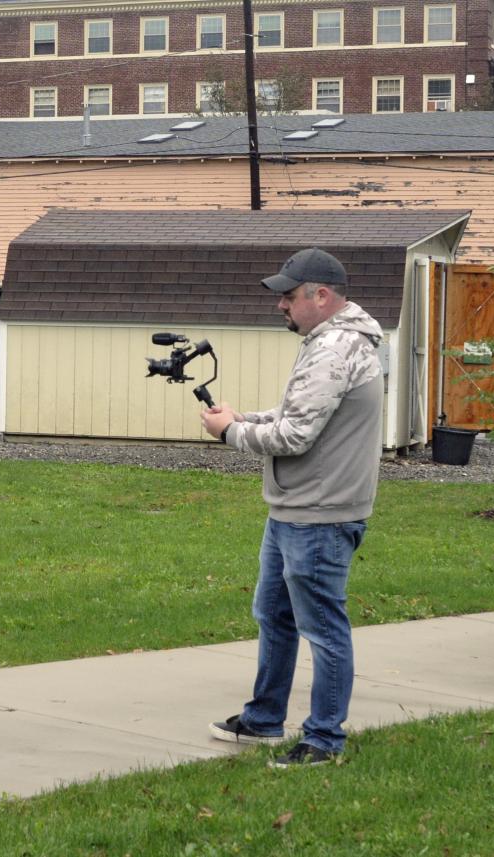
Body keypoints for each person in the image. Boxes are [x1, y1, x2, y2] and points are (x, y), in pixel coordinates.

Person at [200, 247, 384, 767]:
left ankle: (324, 740)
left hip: (321, 514)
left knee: (322, 627)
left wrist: (230, 432)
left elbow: (297, 434)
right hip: (294, 510)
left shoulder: (336, 346)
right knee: (275, 615)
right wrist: (243, 415)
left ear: (320, 296)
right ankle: (263, 720)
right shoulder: (327, 341)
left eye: (288, 295)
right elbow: (297, 411)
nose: (281, 305)